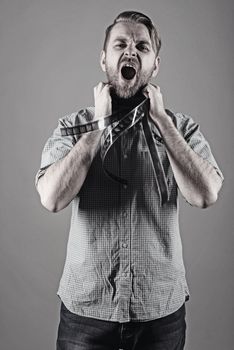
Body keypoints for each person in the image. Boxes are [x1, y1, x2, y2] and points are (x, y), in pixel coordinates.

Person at [35, 10, 224, 350]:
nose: (131, 51)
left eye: (142, 46)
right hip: (86, 313)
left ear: (155, 65)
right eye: (120, 43)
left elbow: (206, 194)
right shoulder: (71, 127)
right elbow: (51, 198)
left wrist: (163, 123)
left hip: (160, 313)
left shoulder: (182, 129)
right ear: (104, 60)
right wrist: (98, 126)